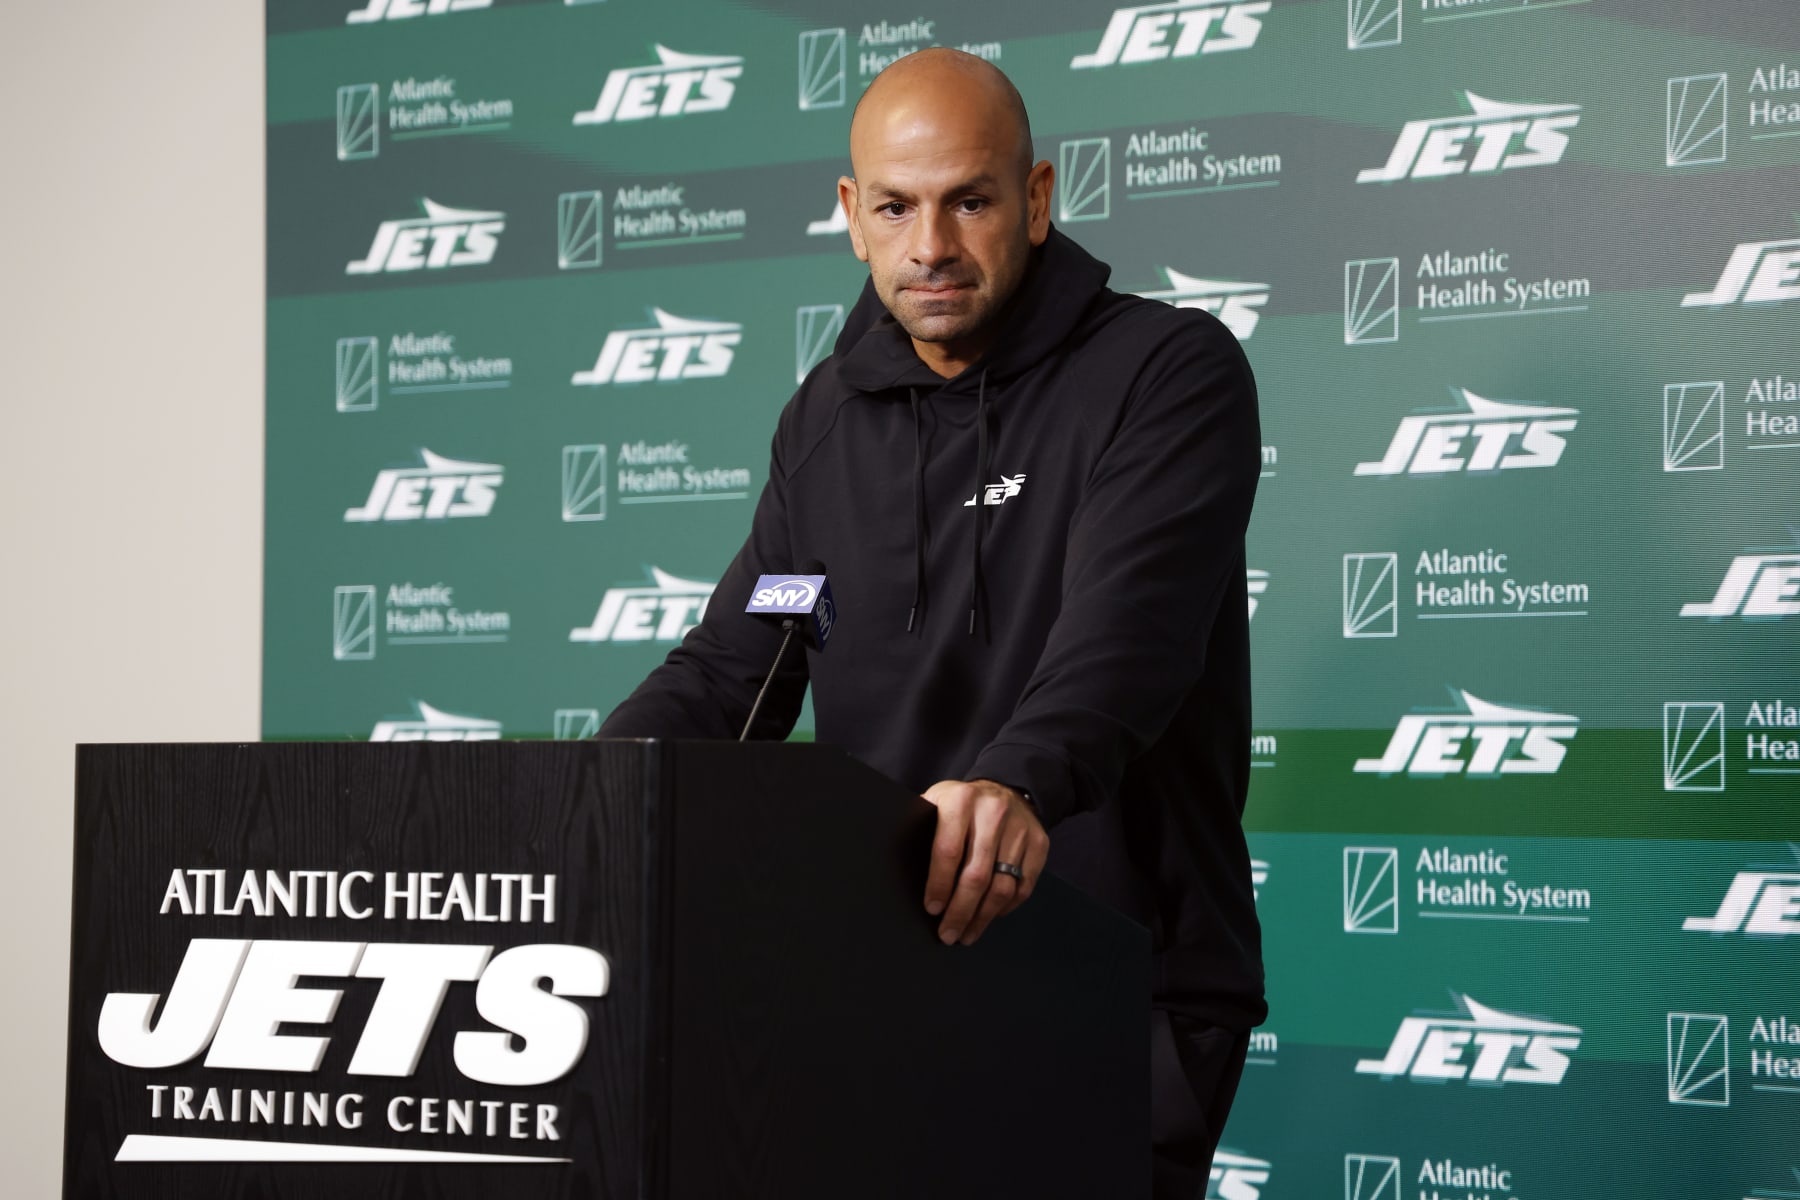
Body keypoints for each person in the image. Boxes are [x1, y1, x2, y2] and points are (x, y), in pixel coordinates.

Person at [599, 47, 1264, 1197]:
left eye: (970, 201)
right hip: (882, 971)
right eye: (897, 208)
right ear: (853, 217)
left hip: (1112, 975)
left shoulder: (1165, 372)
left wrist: (1015, 784)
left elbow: (1128, 633)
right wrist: (586, 803)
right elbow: (744, 658)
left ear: (1038, 200)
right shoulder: (825, 421)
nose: (932, 248)